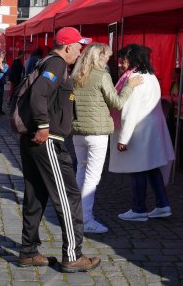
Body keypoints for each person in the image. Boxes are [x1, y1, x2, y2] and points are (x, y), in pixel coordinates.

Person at [18, 27, 100, 273]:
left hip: (36, 140)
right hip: (47, 139)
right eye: (78, 46)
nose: (80, 51)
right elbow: (39, 94)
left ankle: (28, 251)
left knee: (36, 195)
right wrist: (43, 125)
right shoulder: (55, 65)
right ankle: (72, 255)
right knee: (69, 196)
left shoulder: (47, 62)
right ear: (67, 47)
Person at [72, 43, 142, 233]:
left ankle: (76, 215)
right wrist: (129, 86)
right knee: (92, 178)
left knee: (81, 171)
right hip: (97, 131)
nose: (109, 61)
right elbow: (117, 103)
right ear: (99, 57)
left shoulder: (76, 75)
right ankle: (86, 220)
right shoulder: (101, 75)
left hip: (78, 131)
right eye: (107, 57)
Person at [109, 44, 174, 222]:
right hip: (151, 129)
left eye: (124, 60)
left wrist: (123, 139)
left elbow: (130, 111)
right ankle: (162, 204)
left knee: (136, 169)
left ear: (133, 59)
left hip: (139, 129)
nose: (121, 64)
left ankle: (139, 209)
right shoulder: (150, 76)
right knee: (151, 168)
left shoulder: (134, 79)